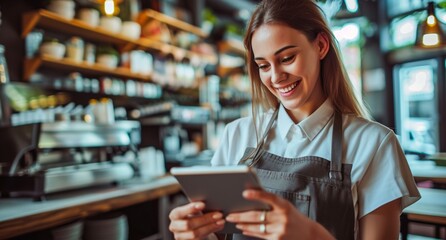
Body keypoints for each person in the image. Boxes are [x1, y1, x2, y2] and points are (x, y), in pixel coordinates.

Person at [168, 0, 421, 239]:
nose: (276, 77)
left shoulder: (374, 143)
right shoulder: (238, 135)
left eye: (287, 58)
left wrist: (311, 234)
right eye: (264, 65)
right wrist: (195, 233)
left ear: (321, 46)